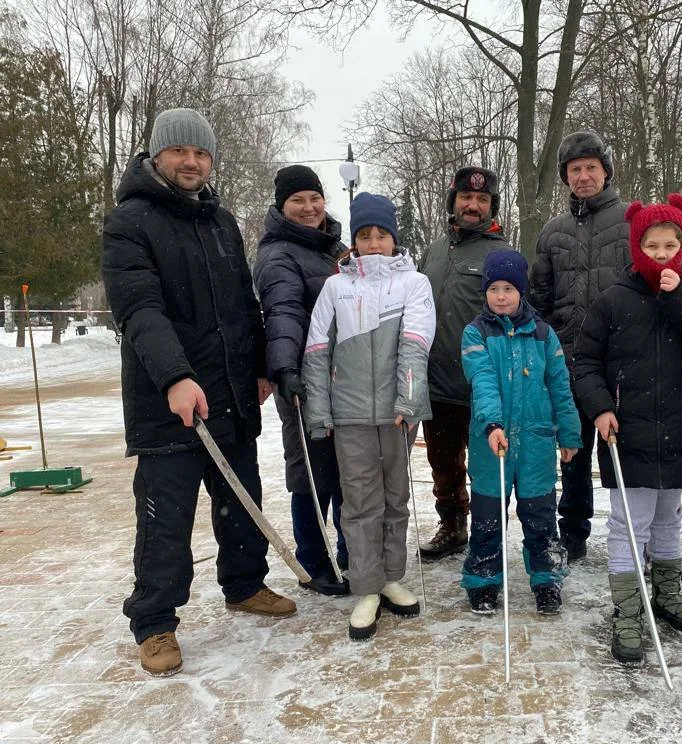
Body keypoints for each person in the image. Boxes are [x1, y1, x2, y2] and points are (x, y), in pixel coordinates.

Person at [102, 107, 294, 678]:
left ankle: (244, 585)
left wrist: (258, 365)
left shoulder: (222, 223)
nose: (191, 162)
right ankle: (155, 621)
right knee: (166, 516)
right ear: (157, 155)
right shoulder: (128, 222)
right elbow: (139, 310)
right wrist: (175, 378)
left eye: (201, 153)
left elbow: (242, 306)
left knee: (241, 499)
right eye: (180, 152)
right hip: (168, 402)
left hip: (230, 394)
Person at [573, 194, 682, 663]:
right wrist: (601, 408)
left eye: (671, 245)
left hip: (680, 427)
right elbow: (585, 362)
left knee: (669, 518)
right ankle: (628, 609)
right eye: (653, 245)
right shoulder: (613, 299)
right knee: (629, 523)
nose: (662, 254)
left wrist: (677, 294)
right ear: (636, 246)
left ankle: (666, 593)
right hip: (627, 431)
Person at [302, 192, 435, 641]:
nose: (374, 242)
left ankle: (392, 575)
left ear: (394, 238)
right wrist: (321, 410)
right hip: (351, 415)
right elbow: (317, 350)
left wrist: (408, 401)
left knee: (397, 498)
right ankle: (366, 587)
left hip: (397, 416)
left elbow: (417, 343)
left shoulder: (414, 283)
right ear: (354, 240)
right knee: (360, 502)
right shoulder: (336, 287)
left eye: (381, 234)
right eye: (364, 234)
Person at [460, 250, 582, 615]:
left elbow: (560, 386)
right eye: (494, 288)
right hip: (490, 445)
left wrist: (569, 434)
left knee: (541, 518)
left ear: (522, 292)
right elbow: (482, 381)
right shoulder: (475, 333)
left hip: (535, 445)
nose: (500, 296)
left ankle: (547, 580)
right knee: (487, 518)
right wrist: (492, 424)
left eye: (508, 288)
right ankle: (483, 579)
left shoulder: (543, 335)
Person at [530, 130, 631, 562]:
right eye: (575, 169)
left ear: (606, 171)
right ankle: (572, 533)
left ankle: (634, 535)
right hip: (570, 364)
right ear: (566, 177)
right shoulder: (553, 233)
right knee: (573, 455)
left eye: (591, 167)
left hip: (624, 364)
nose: (584, 176)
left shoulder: (632, 221)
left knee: (626, 457)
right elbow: (539, 300)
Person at [253, 165, 350, 597]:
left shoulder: (336, 249)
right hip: (303, 380)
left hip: (347, 380)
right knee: (312, 474)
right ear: (282, 206)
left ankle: (351, 550)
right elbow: (283, 314)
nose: (309, 208)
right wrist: (285, 370)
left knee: (348, 469)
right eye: (298, 200)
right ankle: (314, 560)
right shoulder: (279, 254)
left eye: (315, 198)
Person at [418, 166, 508, 560]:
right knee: (443, 466)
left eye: (482, 199)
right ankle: (452, 524)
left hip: (482, 386)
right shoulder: (434, 250)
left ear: (491, 206)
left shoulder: (502, 255)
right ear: (453, 201)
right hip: (435, 385)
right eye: (465, 198)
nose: (473, 206)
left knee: (487, 469)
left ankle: (489, 534)